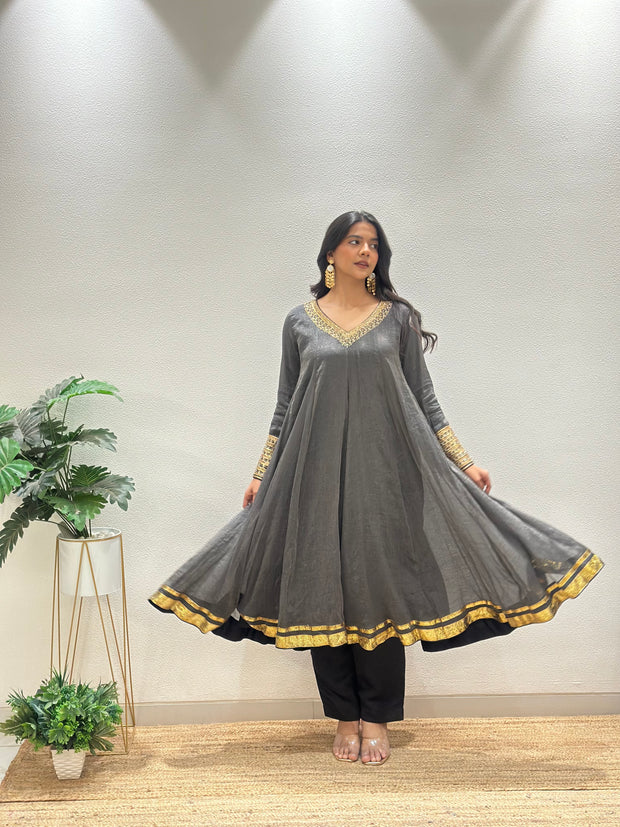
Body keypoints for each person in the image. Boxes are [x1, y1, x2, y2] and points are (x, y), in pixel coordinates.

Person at [149, 210, 604, 766]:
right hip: (311, 478)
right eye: (354, 241)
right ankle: (345, 717)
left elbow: (424, 398)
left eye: (373, 244)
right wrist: (261, 472)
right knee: (319, 590)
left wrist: (463, 462)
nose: (365, 251)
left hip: (388, 481)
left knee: (379, 592)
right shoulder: (299, 322)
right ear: (331, 253)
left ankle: (378, 718)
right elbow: (286, 404)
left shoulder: (397, 319)